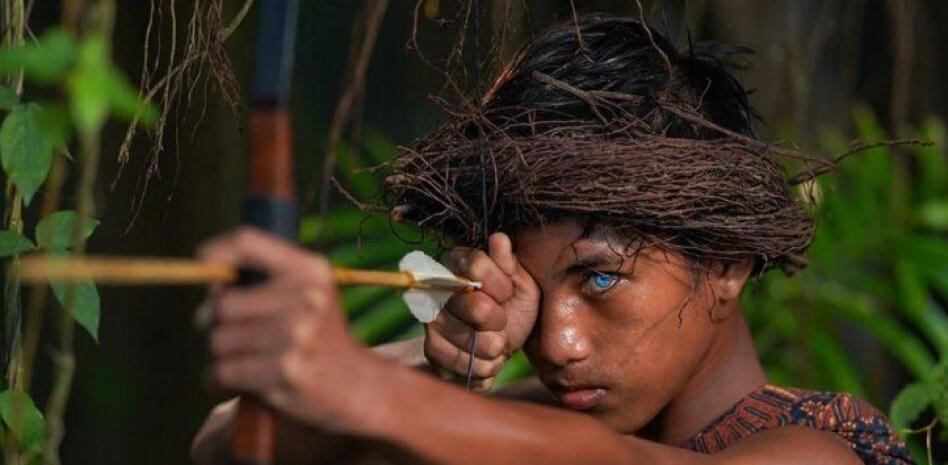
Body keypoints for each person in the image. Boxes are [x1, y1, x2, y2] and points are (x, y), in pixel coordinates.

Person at [191, 15, 914, 465]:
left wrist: (357, 382)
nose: (559, 341)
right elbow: (229, 439)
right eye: (535, 290)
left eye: (599, 278)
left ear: (725, 263)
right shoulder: (540, 419)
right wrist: (444, 363)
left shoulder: (818, 446)